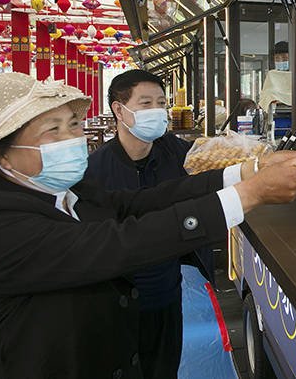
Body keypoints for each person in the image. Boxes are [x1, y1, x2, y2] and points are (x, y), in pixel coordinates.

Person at [0, 73, 296, 379]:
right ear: (1, 154)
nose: (72, 139)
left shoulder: (71, 193)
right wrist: (248, 196)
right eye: (53, 131)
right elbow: (120, 243)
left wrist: (248, 171)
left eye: (74, 125)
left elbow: (145, 202)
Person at [83, 69, 210, 379]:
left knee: (165, 369)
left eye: (161, 102)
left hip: (167, 291)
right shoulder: (95, 171)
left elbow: (213, 171)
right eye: (145, 103)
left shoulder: (180, 155)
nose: (156, 110)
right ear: (118, 109)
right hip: (117, 302)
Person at [259, 41, 292, 109]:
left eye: (285, 58)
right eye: (277, 58)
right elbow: (267, 93)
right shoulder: (272, 74)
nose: (281, 61)